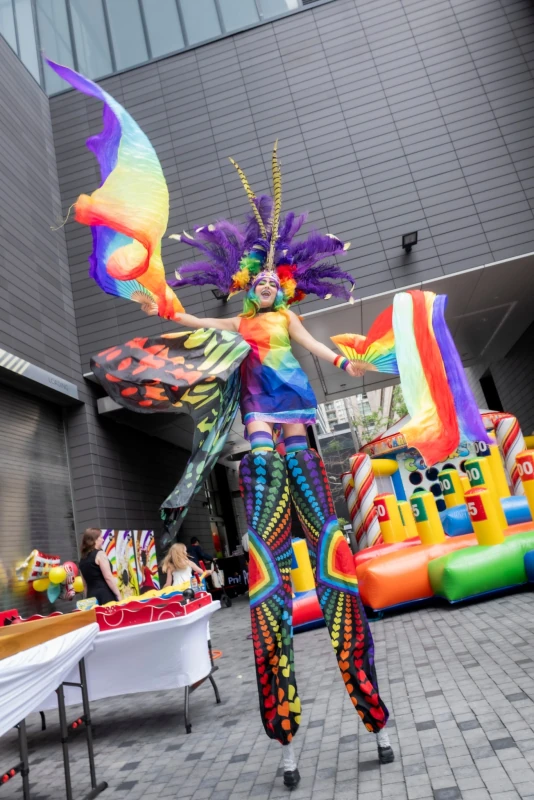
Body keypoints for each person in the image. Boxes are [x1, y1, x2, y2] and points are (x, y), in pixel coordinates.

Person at [49, 60, 394, 792]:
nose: (266, 286)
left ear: (286, 282)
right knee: (269, 580)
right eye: (257, 279)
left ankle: (367, 705)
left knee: (333, 563)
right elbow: (198, 322)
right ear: (245, 281)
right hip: (265, 444)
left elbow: (318, 349)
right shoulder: (238, 321)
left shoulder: (287, 317)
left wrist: (353, 361)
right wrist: (167, 310)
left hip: (300, 438)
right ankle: (286, 729)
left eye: (274, 280)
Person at [79, 528, 120, 605]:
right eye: (101, 537)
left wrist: (87, 600)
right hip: (105, 595)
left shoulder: (82, 560)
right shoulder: (100, 554)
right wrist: (118, 594)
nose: (103, 540)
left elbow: (85, 585)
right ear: (94, 540)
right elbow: (108, 577)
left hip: (91, 597)